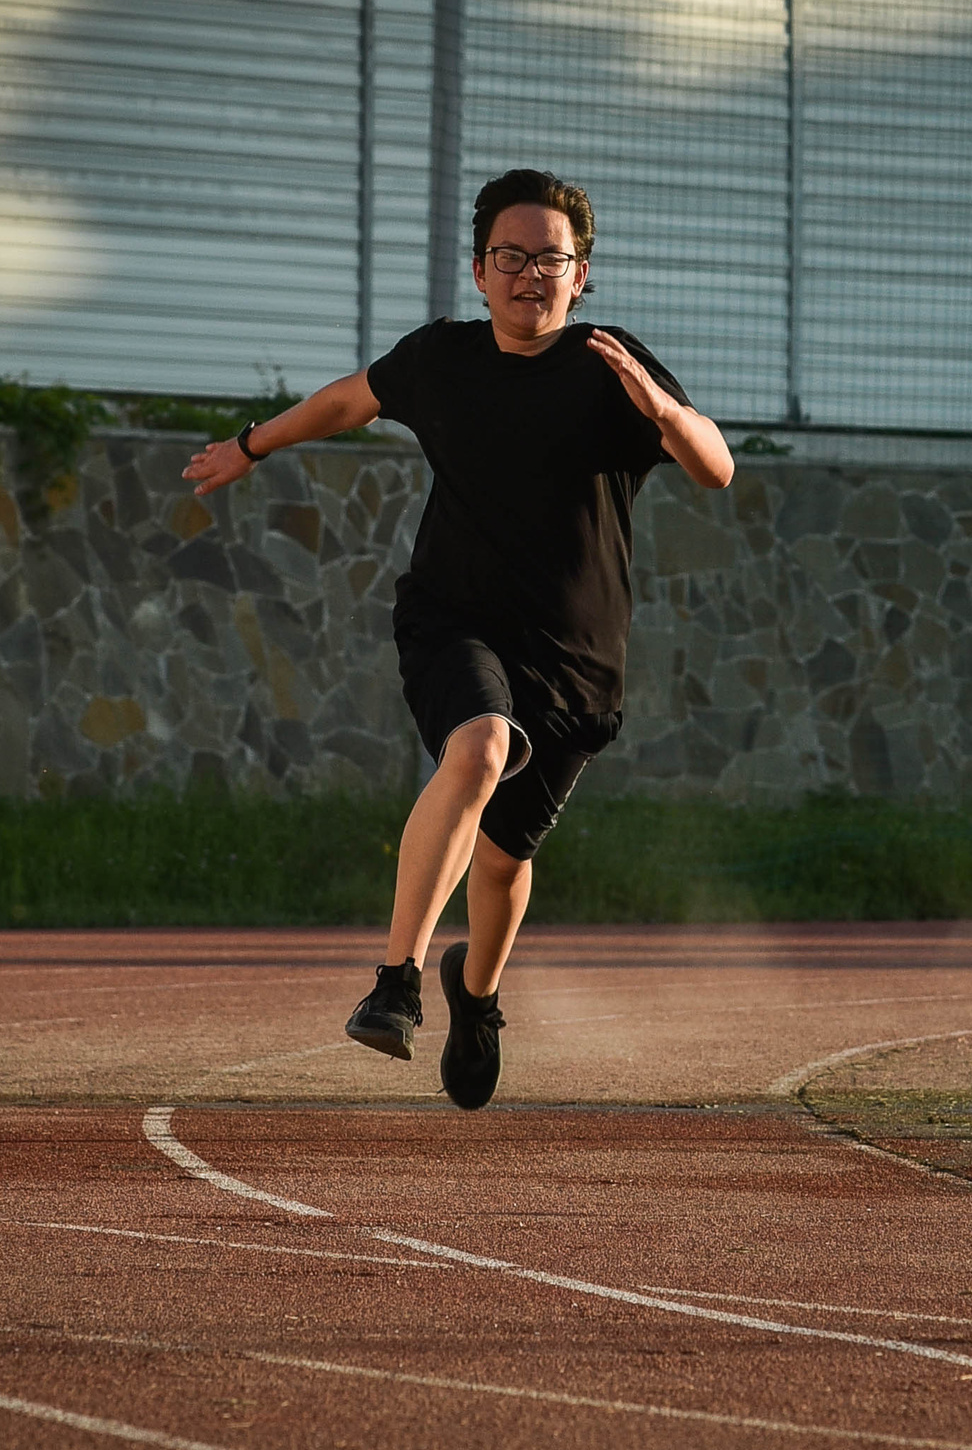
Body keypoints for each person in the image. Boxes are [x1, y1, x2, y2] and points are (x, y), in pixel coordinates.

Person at [184, 168, 733, 1110]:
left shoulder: (614, 368)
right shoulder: (443, 359)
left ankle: (474, 996)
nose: (530, 274)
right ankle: (396, 981)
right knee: (478, 750)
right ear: (479, 271)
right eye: (510, 257)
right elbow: (347, 402)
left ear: (582, 273)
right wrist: (251, 444)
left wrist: (662, 407)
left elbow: (715, 470)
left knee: (508, 858)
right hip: (454, 619)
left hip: (576, 658)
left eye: (550, 259)